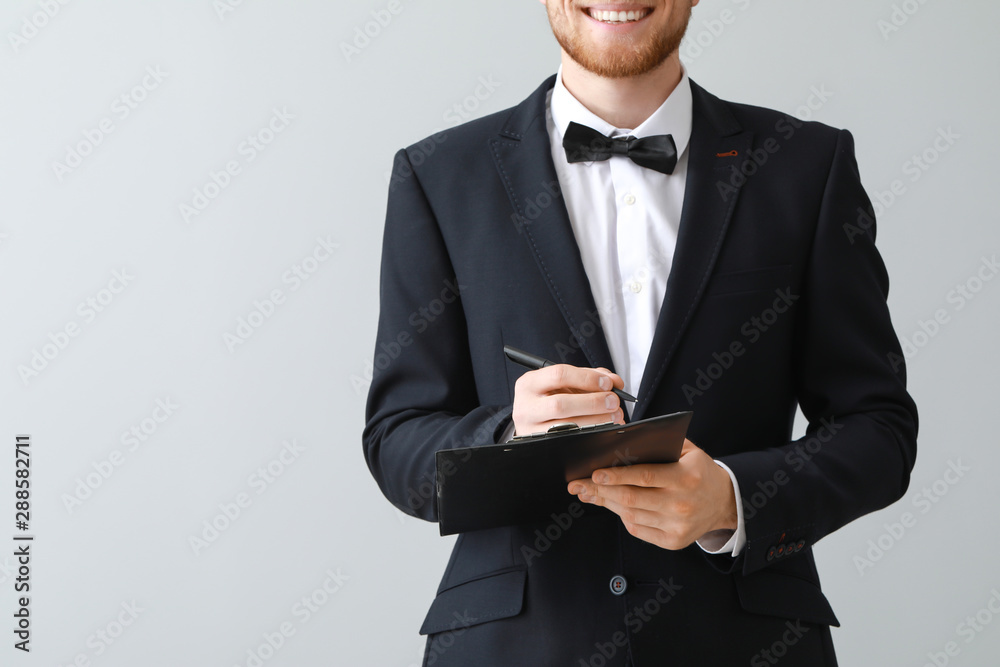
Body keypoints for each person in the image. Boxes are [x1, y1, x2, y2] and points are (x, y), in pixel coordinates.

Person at [363, 1, 918, 664]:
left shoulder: (807, 166)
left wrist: (733, 500)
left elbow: (878, 429)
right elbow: (397, 437)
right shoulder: (438, 177)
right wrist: (507, 439)